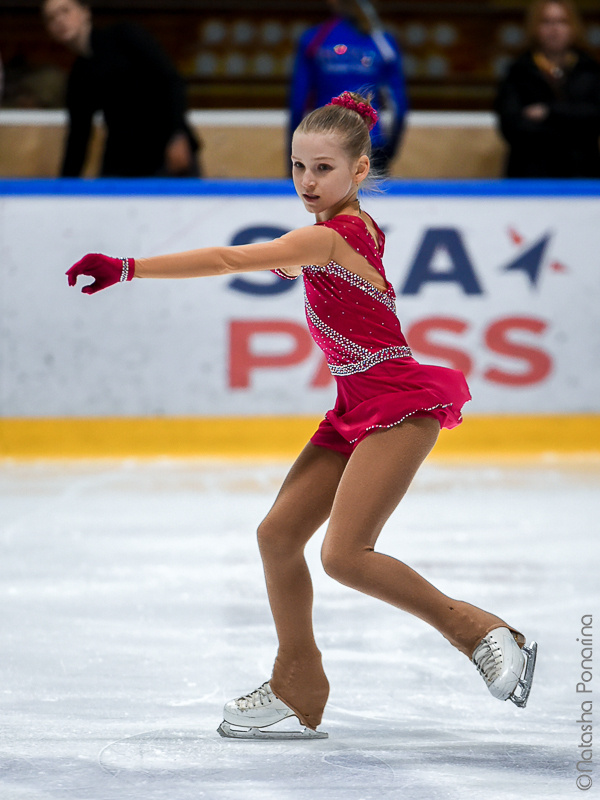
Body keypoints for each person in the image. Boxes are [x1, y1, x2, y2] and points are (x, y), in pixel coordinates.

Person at [66, 91, 537, 739]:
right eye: (298, 167)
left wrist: (128, 267)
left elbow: (232, 259)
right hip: (353, 405)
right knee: (279, 536)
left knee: (344, 555)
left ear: (359, 171)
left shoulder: (330, 235)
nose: (308, 182)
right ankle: (297, 680)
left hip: (397, 402)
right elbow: (294, 258)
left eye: (323, 169)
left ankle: (481, 631)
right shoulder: (341, 232)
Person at [42, 0, 201, 177]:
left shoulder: (124, 35)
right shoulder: (78, 76)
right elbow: (78, 138)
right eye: (51, 18)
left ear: (85, 12)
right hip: (124, 160)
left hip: (167, 150)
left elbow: (171, 80)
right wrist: (64, 190)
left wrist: (178, 135)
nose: (59, 20)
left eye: (65, 11)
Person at [289, 0, 408, 174]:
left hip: (322, 141)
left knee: (324, 200)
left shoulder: (314, 38)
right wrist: (389, 152)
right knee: (366, 200)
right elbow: (398, 105)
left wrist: (294, 157)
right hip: (369, 142)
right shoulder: (382, 42)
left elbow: (298, 103)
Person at [494, 0, 600, 178]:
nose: (554, 29)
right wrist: (572, 126)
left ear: (574, 27)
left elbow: (594, 117)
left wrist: (549, 112)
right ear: (534, 27)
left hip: (582, 176)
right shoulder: (519, 71)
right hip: (530, 175)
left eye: (562, 22)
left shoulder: (589, 70)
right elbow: (512, 126)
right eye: (546, 22)